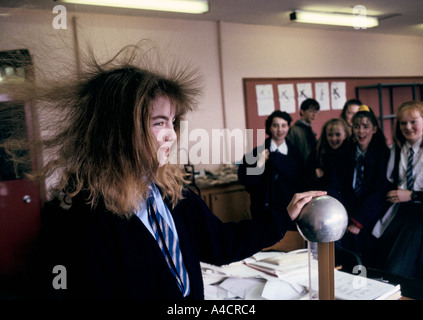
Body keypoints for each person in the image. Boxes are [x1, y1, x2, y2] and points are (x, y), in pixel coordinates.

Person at [4, 45, 325, 300]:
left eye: (173, 122)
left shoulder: (171, 191)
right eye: (159, 123)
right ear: (117, 130)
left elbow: (220, 244)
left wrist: (283, 216)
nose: (172, 134)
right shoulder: (80, 215)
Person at [372, 101, 423, 280]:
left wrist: (412, 195)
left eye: (413, 121)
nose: (408, 127)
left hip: (418, 215)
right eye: (403, 123)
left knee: (399, 269)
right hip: (400, 213)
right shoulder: (397, 149)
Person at [334, 105, 390, 265]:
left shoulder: (383, 154)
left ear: (374, 129)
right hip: (347, 215)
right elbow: (337, 185)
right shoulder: (345, 152)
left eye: (366, 127)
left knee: (370, 262)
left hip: (370, 216)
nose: (360, 131)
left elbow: (381, 190)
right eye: (356, 127)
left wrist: (359, 220)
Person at [238, 110, 305, 223]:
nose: (280, 130)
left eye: (284, 125)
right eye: (275, 125)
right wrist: (259, 165)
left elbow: (302, 182)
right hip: (263, 211)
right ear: (269, 128)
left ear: (288, 127)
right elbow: (247, 183)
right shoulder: (256, 154)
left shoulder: (296, 153)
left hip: (289, 211)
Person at [305, 118, 351, 200]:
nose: (334, 139)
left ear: (345, 135)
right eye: (330, 135)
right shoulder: (316, 155)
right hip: (323, 202)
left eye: (338, 135)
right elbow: (306, 182)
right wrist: (315, 176)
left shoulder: (352, 154)